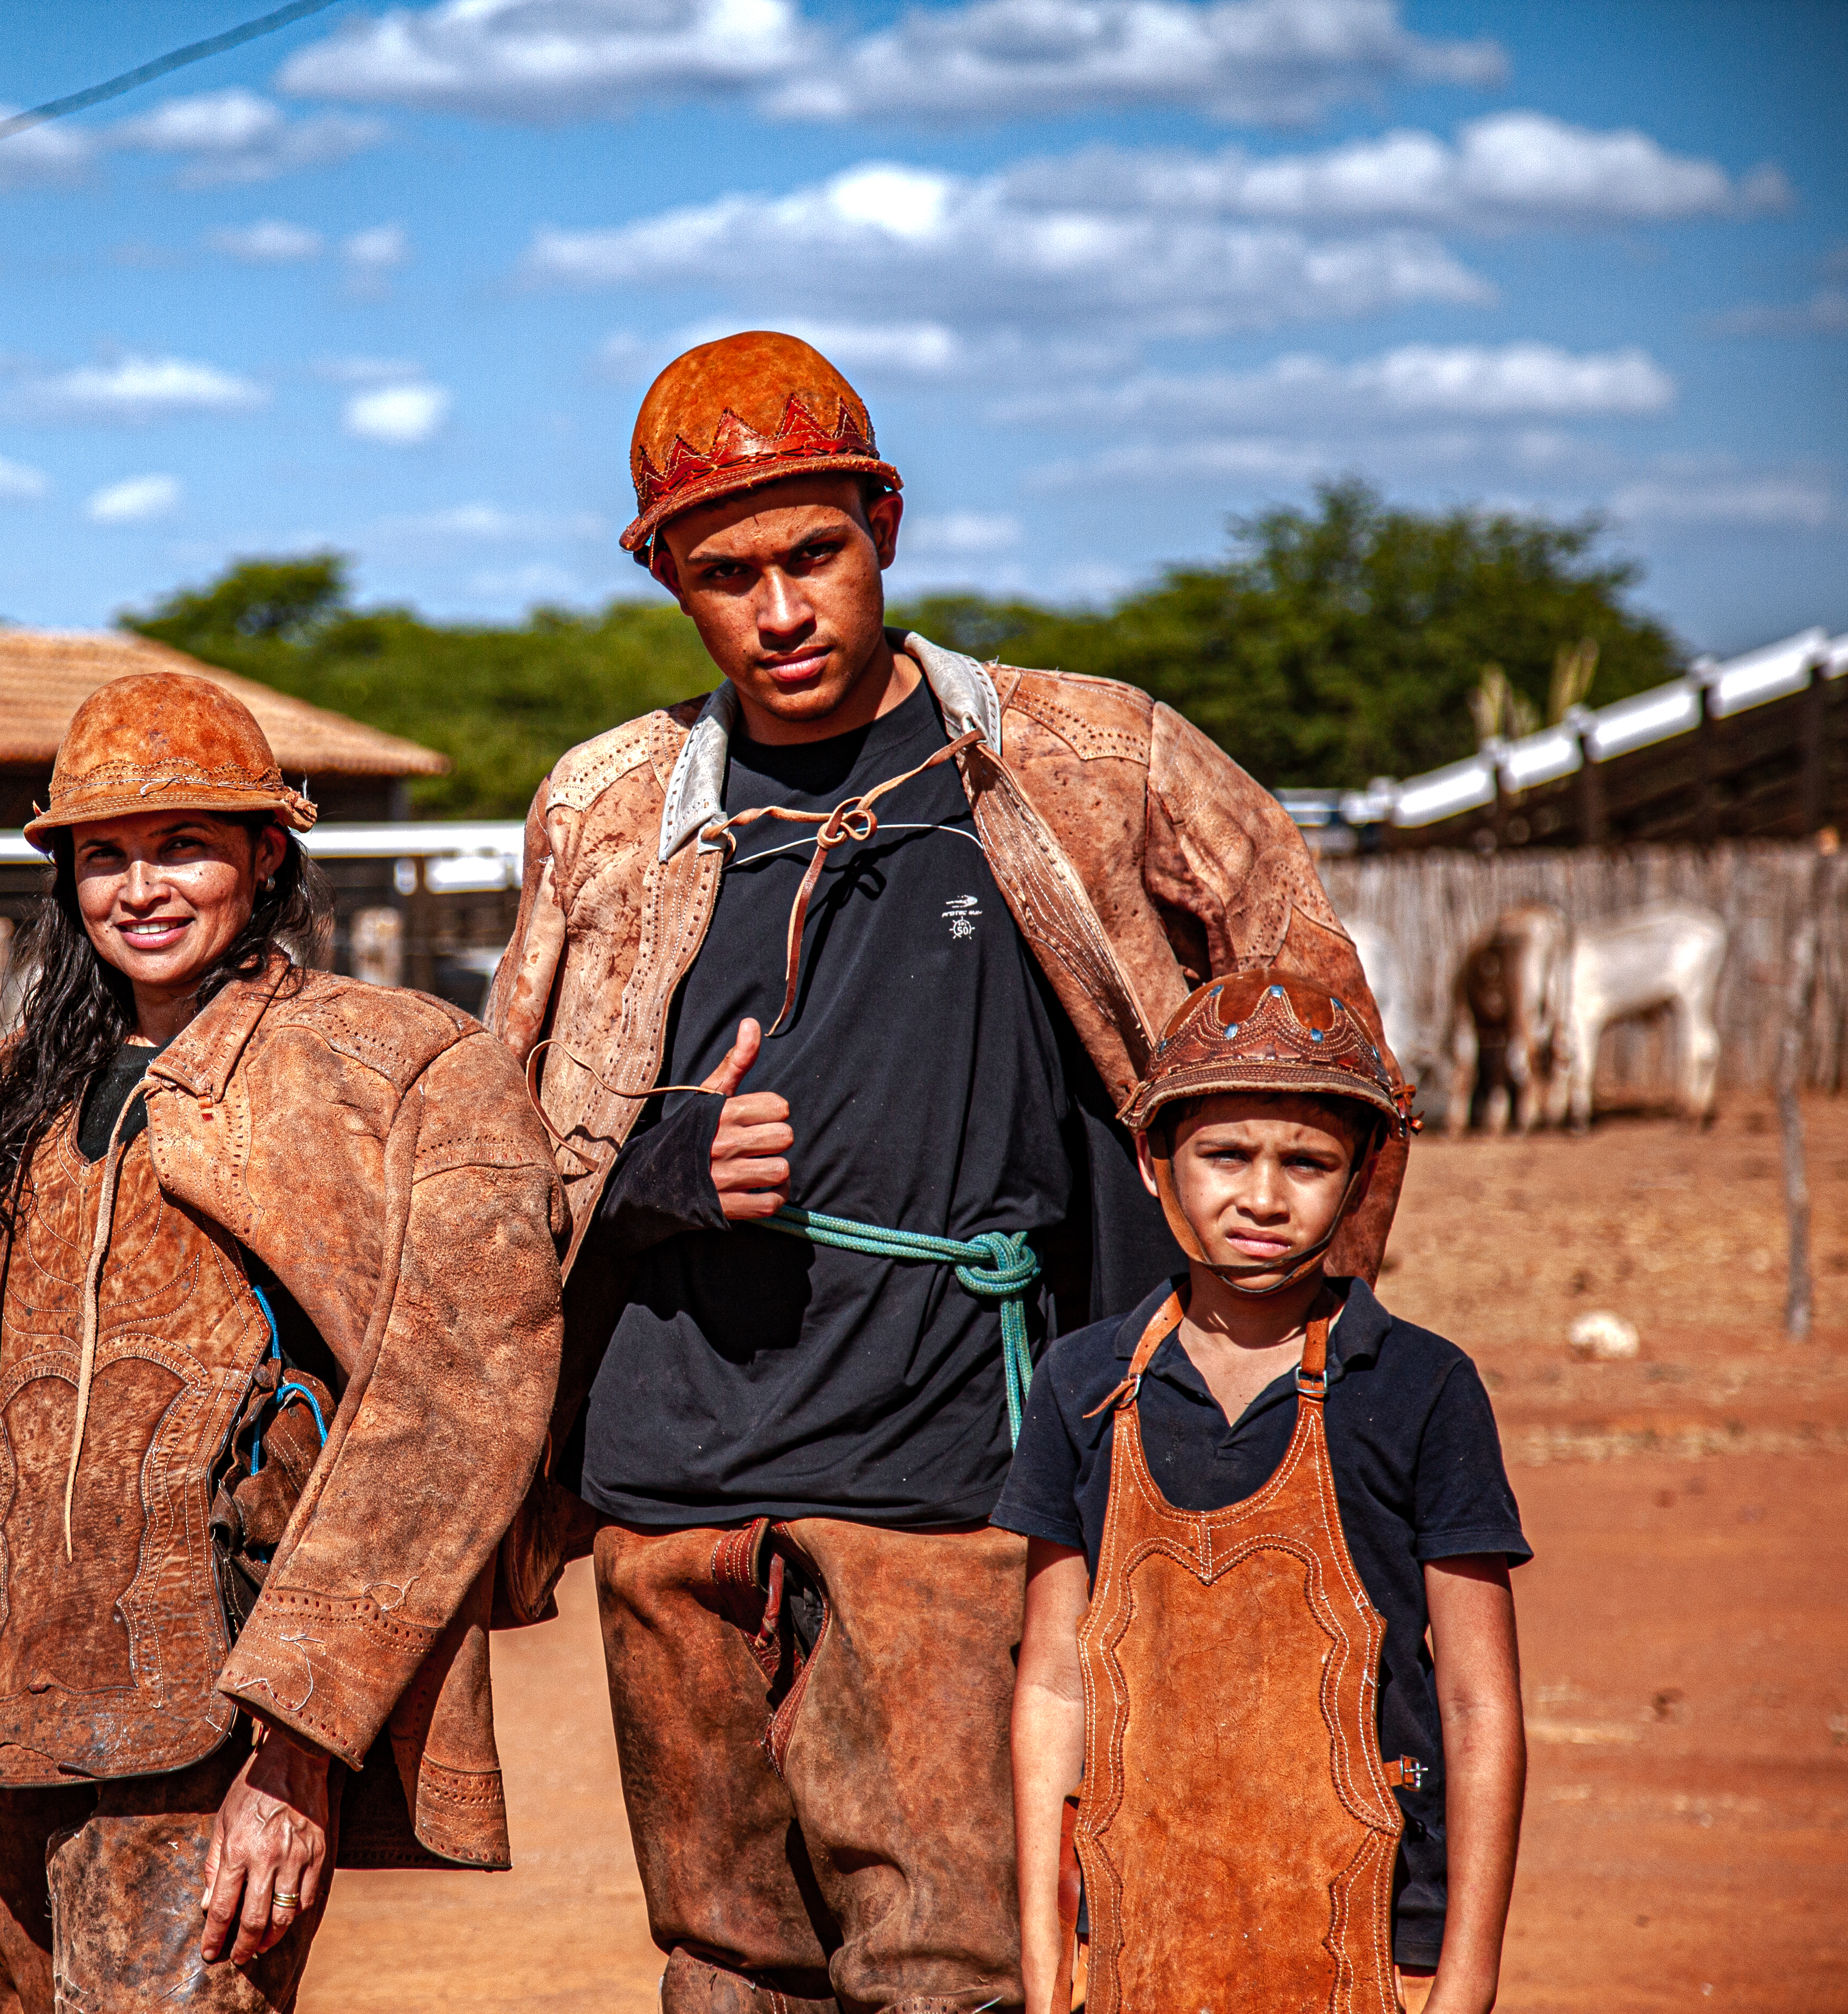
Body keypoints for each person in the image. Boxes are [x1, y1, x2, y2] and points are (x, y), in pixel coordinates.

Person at [481, 328, 1405, 2013]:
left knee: (950, 1969)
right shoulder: (608, 812)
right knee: (725, 1969)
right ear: (669, 581)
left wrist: (1291, 1351)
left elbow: (1318, 1020)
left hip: (954, 1487)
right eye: (727, 575)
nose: (781, 611)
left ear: (887, 526)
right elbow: (506, 1159)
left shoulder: (1087, 760)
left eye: (815, 554)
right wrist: (664, 1164)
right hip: (676, 1504)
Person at [0, 670, 566, 2013]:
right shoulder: (32, 1083)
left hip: (221, 1727)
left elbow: (451, 1419)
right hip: (13, 1739)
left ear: (267, 853)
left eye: (183, 846)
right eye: (104, 856)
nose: (142, 889)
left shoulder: (395, 1070)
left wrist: (297, 1749)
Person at [996, 969, 1527, 2013]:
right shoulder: (1080, 1382)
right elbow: (1054, 1684)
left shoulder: (1422, 1387)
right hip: (1134, 1932)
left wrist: (1465, 1978)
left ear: (1363, 1178)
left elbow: (1477, 1703)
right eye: (1227, 1156)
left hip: (1374, 1940)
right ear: (1154, 1163)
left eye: (1309, 1162)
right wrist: (1047, 1957)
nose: (1266, 1198)